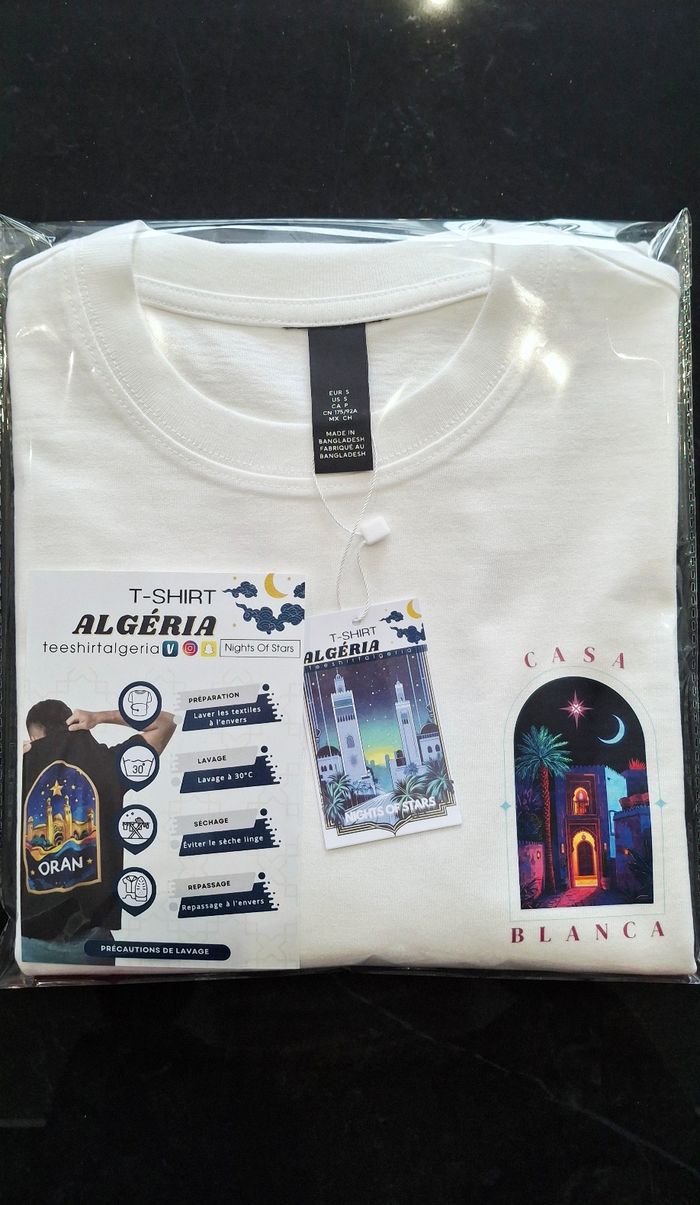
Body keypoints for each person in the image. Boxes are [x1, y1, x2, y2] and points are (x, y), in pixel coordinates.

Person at [21, 698, 176, 966]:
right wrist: (100, 717)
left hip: (30, 940)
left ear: (34, 737)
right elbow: (165, 723)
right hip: (92, 938)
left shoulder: (19, 773)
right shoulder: (109, 763)